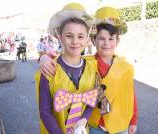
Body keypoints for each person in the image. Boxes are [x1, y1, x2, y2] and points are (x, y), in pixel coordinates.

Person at [38, 6, 138, 134]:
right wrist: (44, 57)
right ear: (92, 40)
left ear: (117, 41)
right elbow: (68, 58)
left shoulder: (127, 67)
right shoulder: (89, 63)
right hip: (93, 124)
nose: (106, 43)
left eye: (111, 38)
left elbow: (130, 95)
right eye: (101, 38)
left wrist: (133, 120)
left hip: (119, 124)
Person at [35, 3, 100, 134]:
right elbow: (45, 113)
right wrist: (43, 57)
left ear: (88, 38)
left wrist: (84, 120)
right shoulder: (49, 70)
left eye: (81, 36)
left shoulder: (93, 66)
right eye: (69, 36)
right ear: (60, 37)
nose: (75, 41)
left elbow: (92, 98)